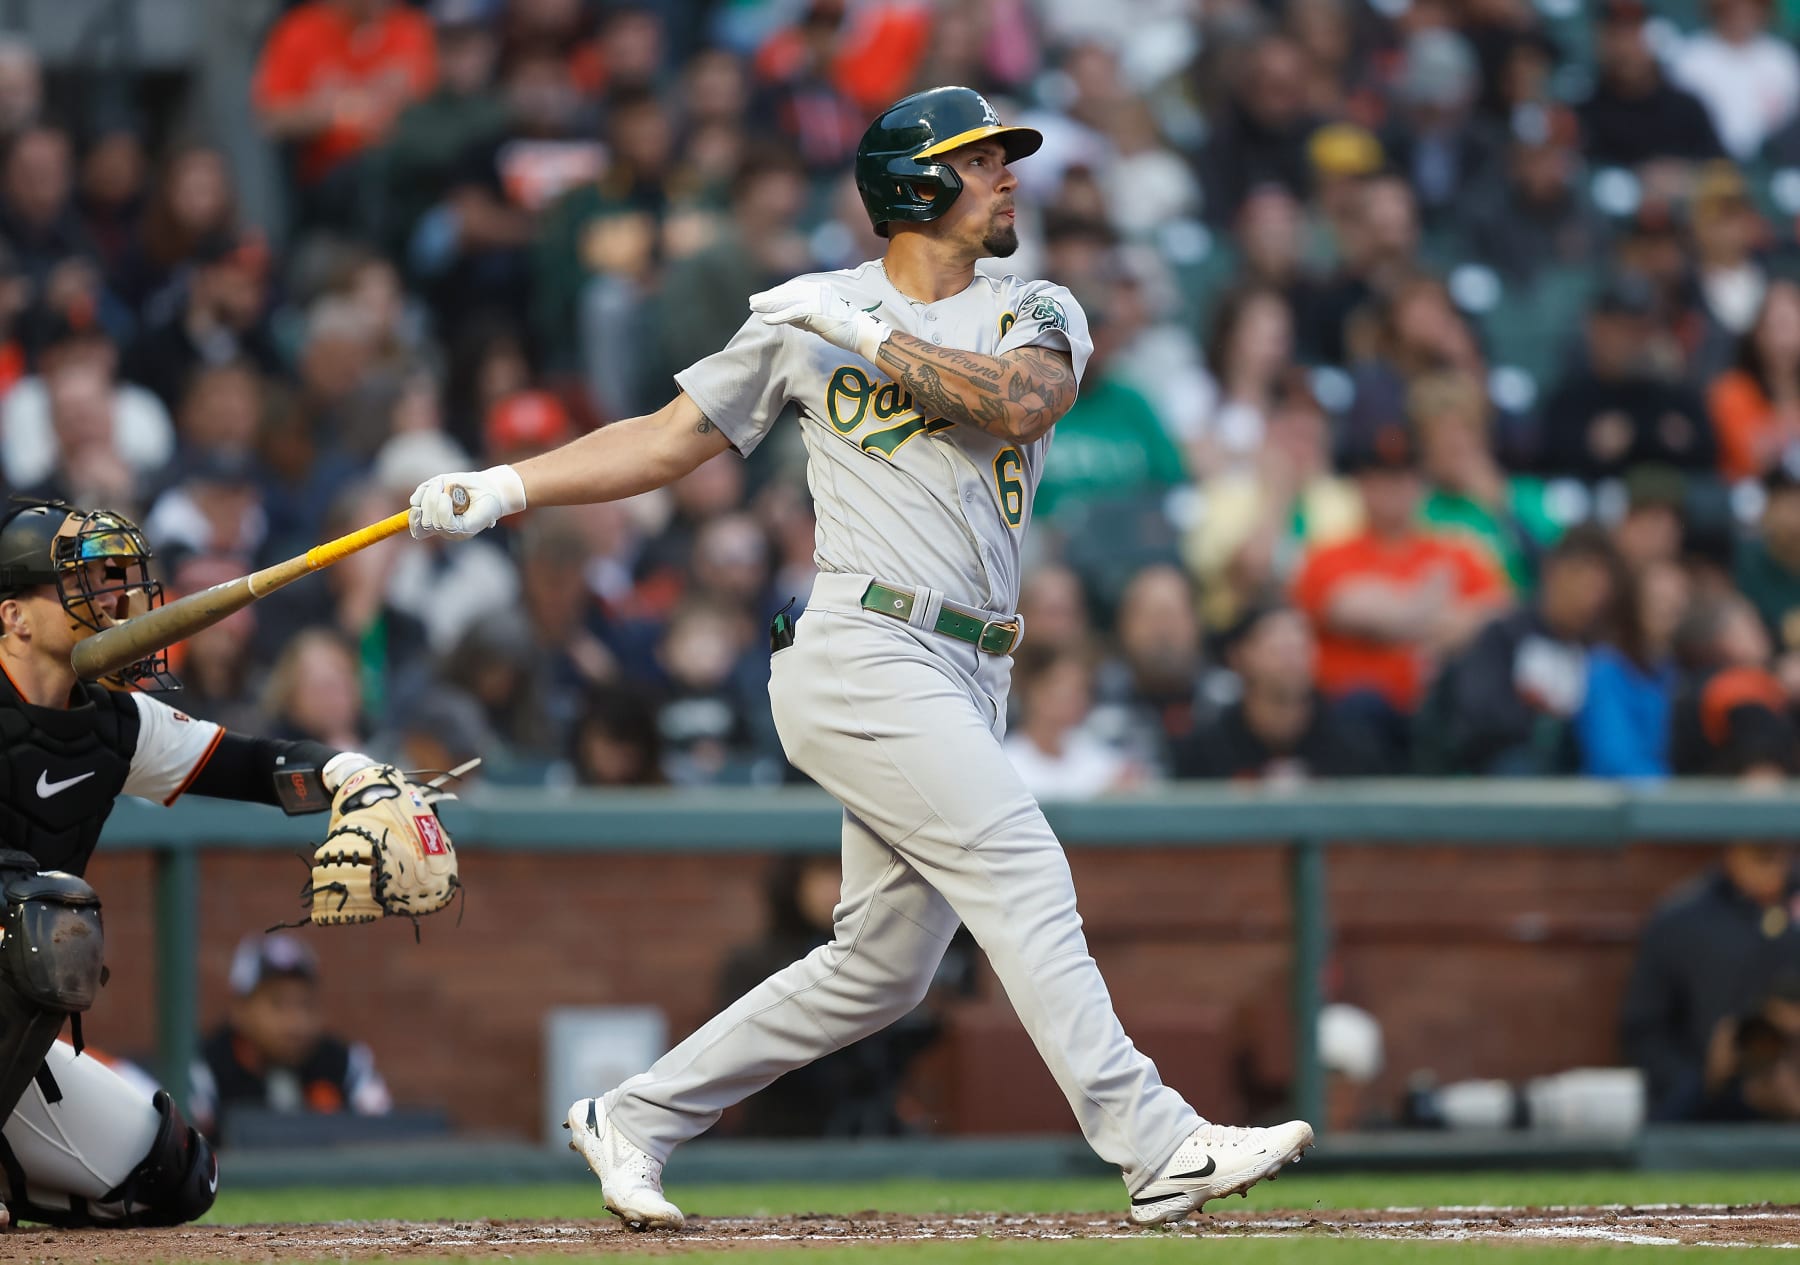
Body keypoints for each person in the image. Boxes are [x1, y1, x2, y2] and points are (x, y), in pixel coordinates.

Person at [407, 86, 1312, 1231]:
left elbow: (1022, 404)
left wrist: (865, 336)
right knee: (1022, 866)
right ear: (916, 184)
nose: (1008, 177)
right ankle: (1156, 1141)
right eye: (983, 161)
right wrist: (504, 486)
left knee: (881, 968)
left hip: (973, 665)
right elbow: (668, 439)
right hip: (863, 640)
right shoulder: (808, 310)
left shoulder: (1033, 304)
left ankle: (634, 1115)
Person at [0, 497, 443, 1228]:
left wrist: (351, 774)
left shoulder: (116, 723)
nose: (111, 599)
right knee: (40, 916)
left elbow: (244, 764)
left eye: (114, 580)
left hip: (14, 1027)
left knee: (171, 1174)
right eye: (80, 581)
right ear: (14, 615)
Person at [189, 934, 392, 1145]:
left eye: (305, 1004)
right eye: (278, 1004)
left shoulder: (345, 1064)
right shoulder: (204, 1065)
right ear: (240, 1009)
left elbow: (381, 1136)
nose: (296, 1022)